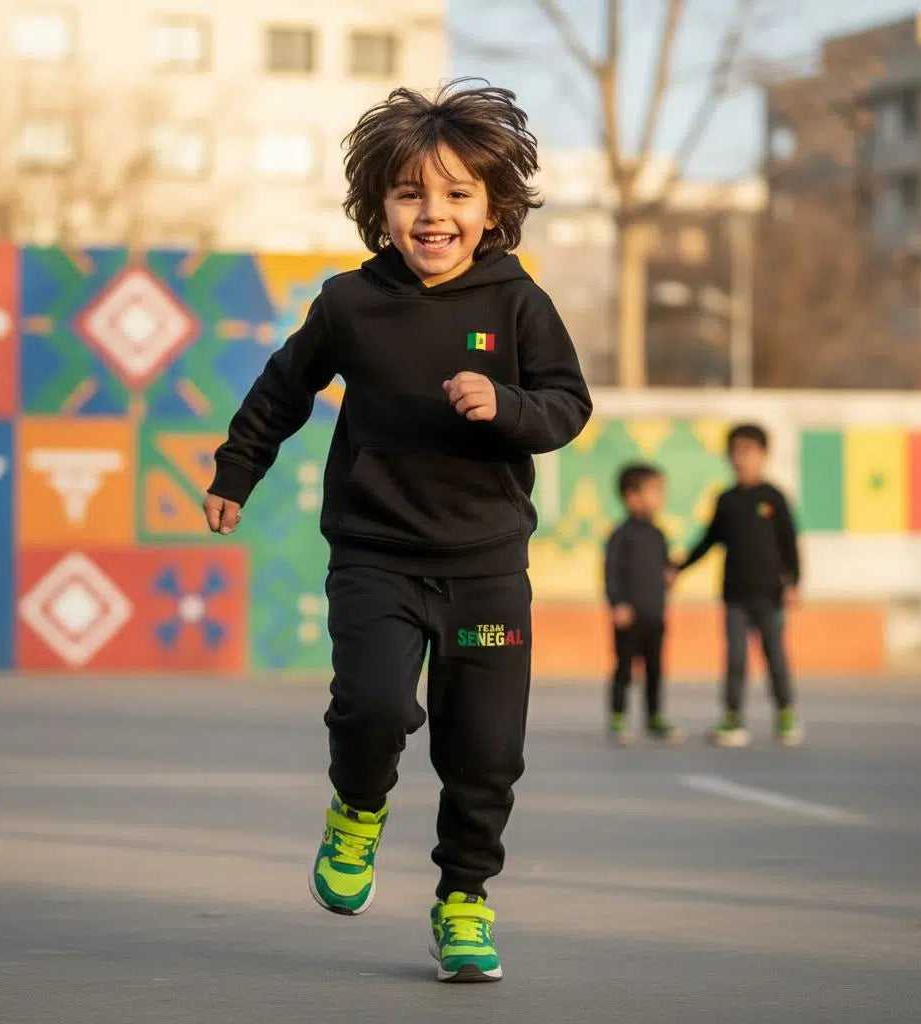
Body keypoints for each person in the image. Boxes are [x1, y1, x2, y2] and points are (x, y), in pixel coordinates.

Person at [202, 81, 592, 983]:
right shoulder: (350, 303)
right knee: (374, 706)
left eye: (457, 194)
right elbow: (282, 389)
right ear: (379, 204)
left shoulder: (519, 304)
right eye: (411, 193)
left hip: (489, 568)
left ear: (493, 207)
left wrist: (508, 406)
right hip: (375, 554)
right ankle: (357, 807)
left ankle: (464, 899)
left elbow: (568, 406)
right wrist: (237, 469)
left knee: (485, 749)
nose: (433, 214)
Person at [677, 423, 803, 748]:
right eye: (735, 452)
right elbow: (709, 540)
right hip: (735, 595)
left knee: (775, 655)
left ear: (764, 455)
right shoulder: (726, 500)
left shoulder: (774, 498)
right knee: (735, 657)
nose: (741, 458)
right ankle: (733, 718)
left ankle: (785, 714)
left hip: (769, 595)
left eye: (749, 452)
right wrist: (678, 567)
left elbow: (789, 543)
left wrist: (793, 583)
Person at [604, 463, 684, 746]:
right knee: (624, 668)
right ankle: (618, 716)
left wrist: (670, 573)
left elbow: (665, 566)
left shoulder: (658, 534)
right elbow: (611, 572)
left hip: (654, 614)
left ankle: (655, 716)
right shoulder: (620, 535)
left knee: (655, 670)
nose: (661, 497)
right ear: (632, 496)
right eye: (655, 491)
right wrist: (618, 603)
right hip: (629, 615)